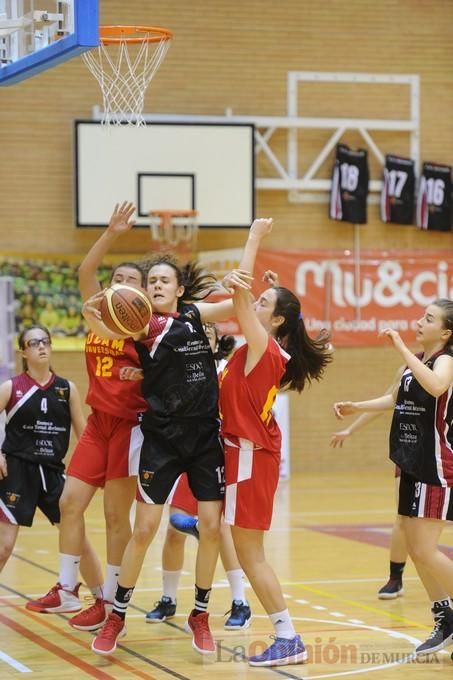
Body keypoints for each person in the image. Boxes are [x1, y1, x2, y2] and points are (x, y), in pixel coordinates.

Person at [83, 250, 241, 657]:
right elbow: (109, 331)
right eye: (151, 281)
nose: (155, 285)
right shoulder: (141, 325)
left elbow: (235, 305)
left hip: (205, 436)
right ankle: (117, 615)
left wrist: (248, 283)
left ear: (179, 288)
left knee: (210, 527)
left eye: (163, 280)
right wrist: (91, 313)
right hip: (163, 439)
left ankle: (200, 614)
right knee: (145, 529)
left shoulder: (195, 315)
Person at [26, 203, 147, 631]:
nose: (122, 286)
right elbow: (84, 272)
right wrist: (112, 232)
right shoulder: (96, 313)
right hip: (98, 423)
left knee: (117, 519)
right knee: (68, 503)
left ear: (143, 295)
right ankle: (66, 588)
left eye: (132, 282)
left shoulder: (146, 328)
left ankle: (112, 603)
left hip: (131, 428)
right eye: (118, 279)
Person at [219, 219, 332, 667]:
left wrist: (254, 239)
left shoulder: (264, 347)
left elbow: (239, 296)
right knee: (240, 544)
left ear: (276, 319)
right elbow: (251, 299)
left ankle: (287, 635)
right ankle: (196, 520)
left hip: (250, 455)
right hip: (242, 452)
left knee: (250, 553)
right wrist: (271, 288)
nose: (255, 304)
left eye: (266, 303)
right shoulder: (257, 347)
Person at [333, 299, 453, 656]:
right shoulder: (412, 364)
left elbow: (435, 386)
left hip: (435, 465)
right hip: (412, 463)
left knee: (427, 551)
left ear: (445, 332)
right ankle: (444, 618)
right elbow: (393, 399)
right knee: (417, 551)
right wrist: (357, 407)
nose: (420, 321)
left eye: (428, 319)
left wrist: (402, 346)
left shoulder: (445, 360)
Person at [149, 324, 252, 629]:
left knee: (221, 531)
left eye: (208, 333)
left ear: (216, 341)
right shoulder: (179, 367)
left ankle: (240, 602)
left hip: (215, 452)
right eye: (197, 332)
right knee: (173, 528)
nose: (201, 336)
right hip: (183, 452)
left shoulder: (225, 368)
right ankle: (168, 599)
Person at [0, 325, 101, 593]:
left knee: (79, 539)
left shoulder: (67, 389)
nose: (42, 346)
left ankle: (103, 599)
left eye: (45, 341)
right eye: (34, 343)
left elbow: (85, 436)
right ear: (23, 352)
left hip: (53, 473)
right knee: (4, 546)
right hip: (17, 472)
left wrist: (93, 472)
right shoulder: (11, 387)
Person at [330, 375, 408, 600]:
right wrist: (351, 429)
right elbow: (387, 402)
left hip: (443, 448)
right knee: (404, 517)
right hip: (414, 451)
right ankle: (396, 578)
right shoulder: (411, 365)